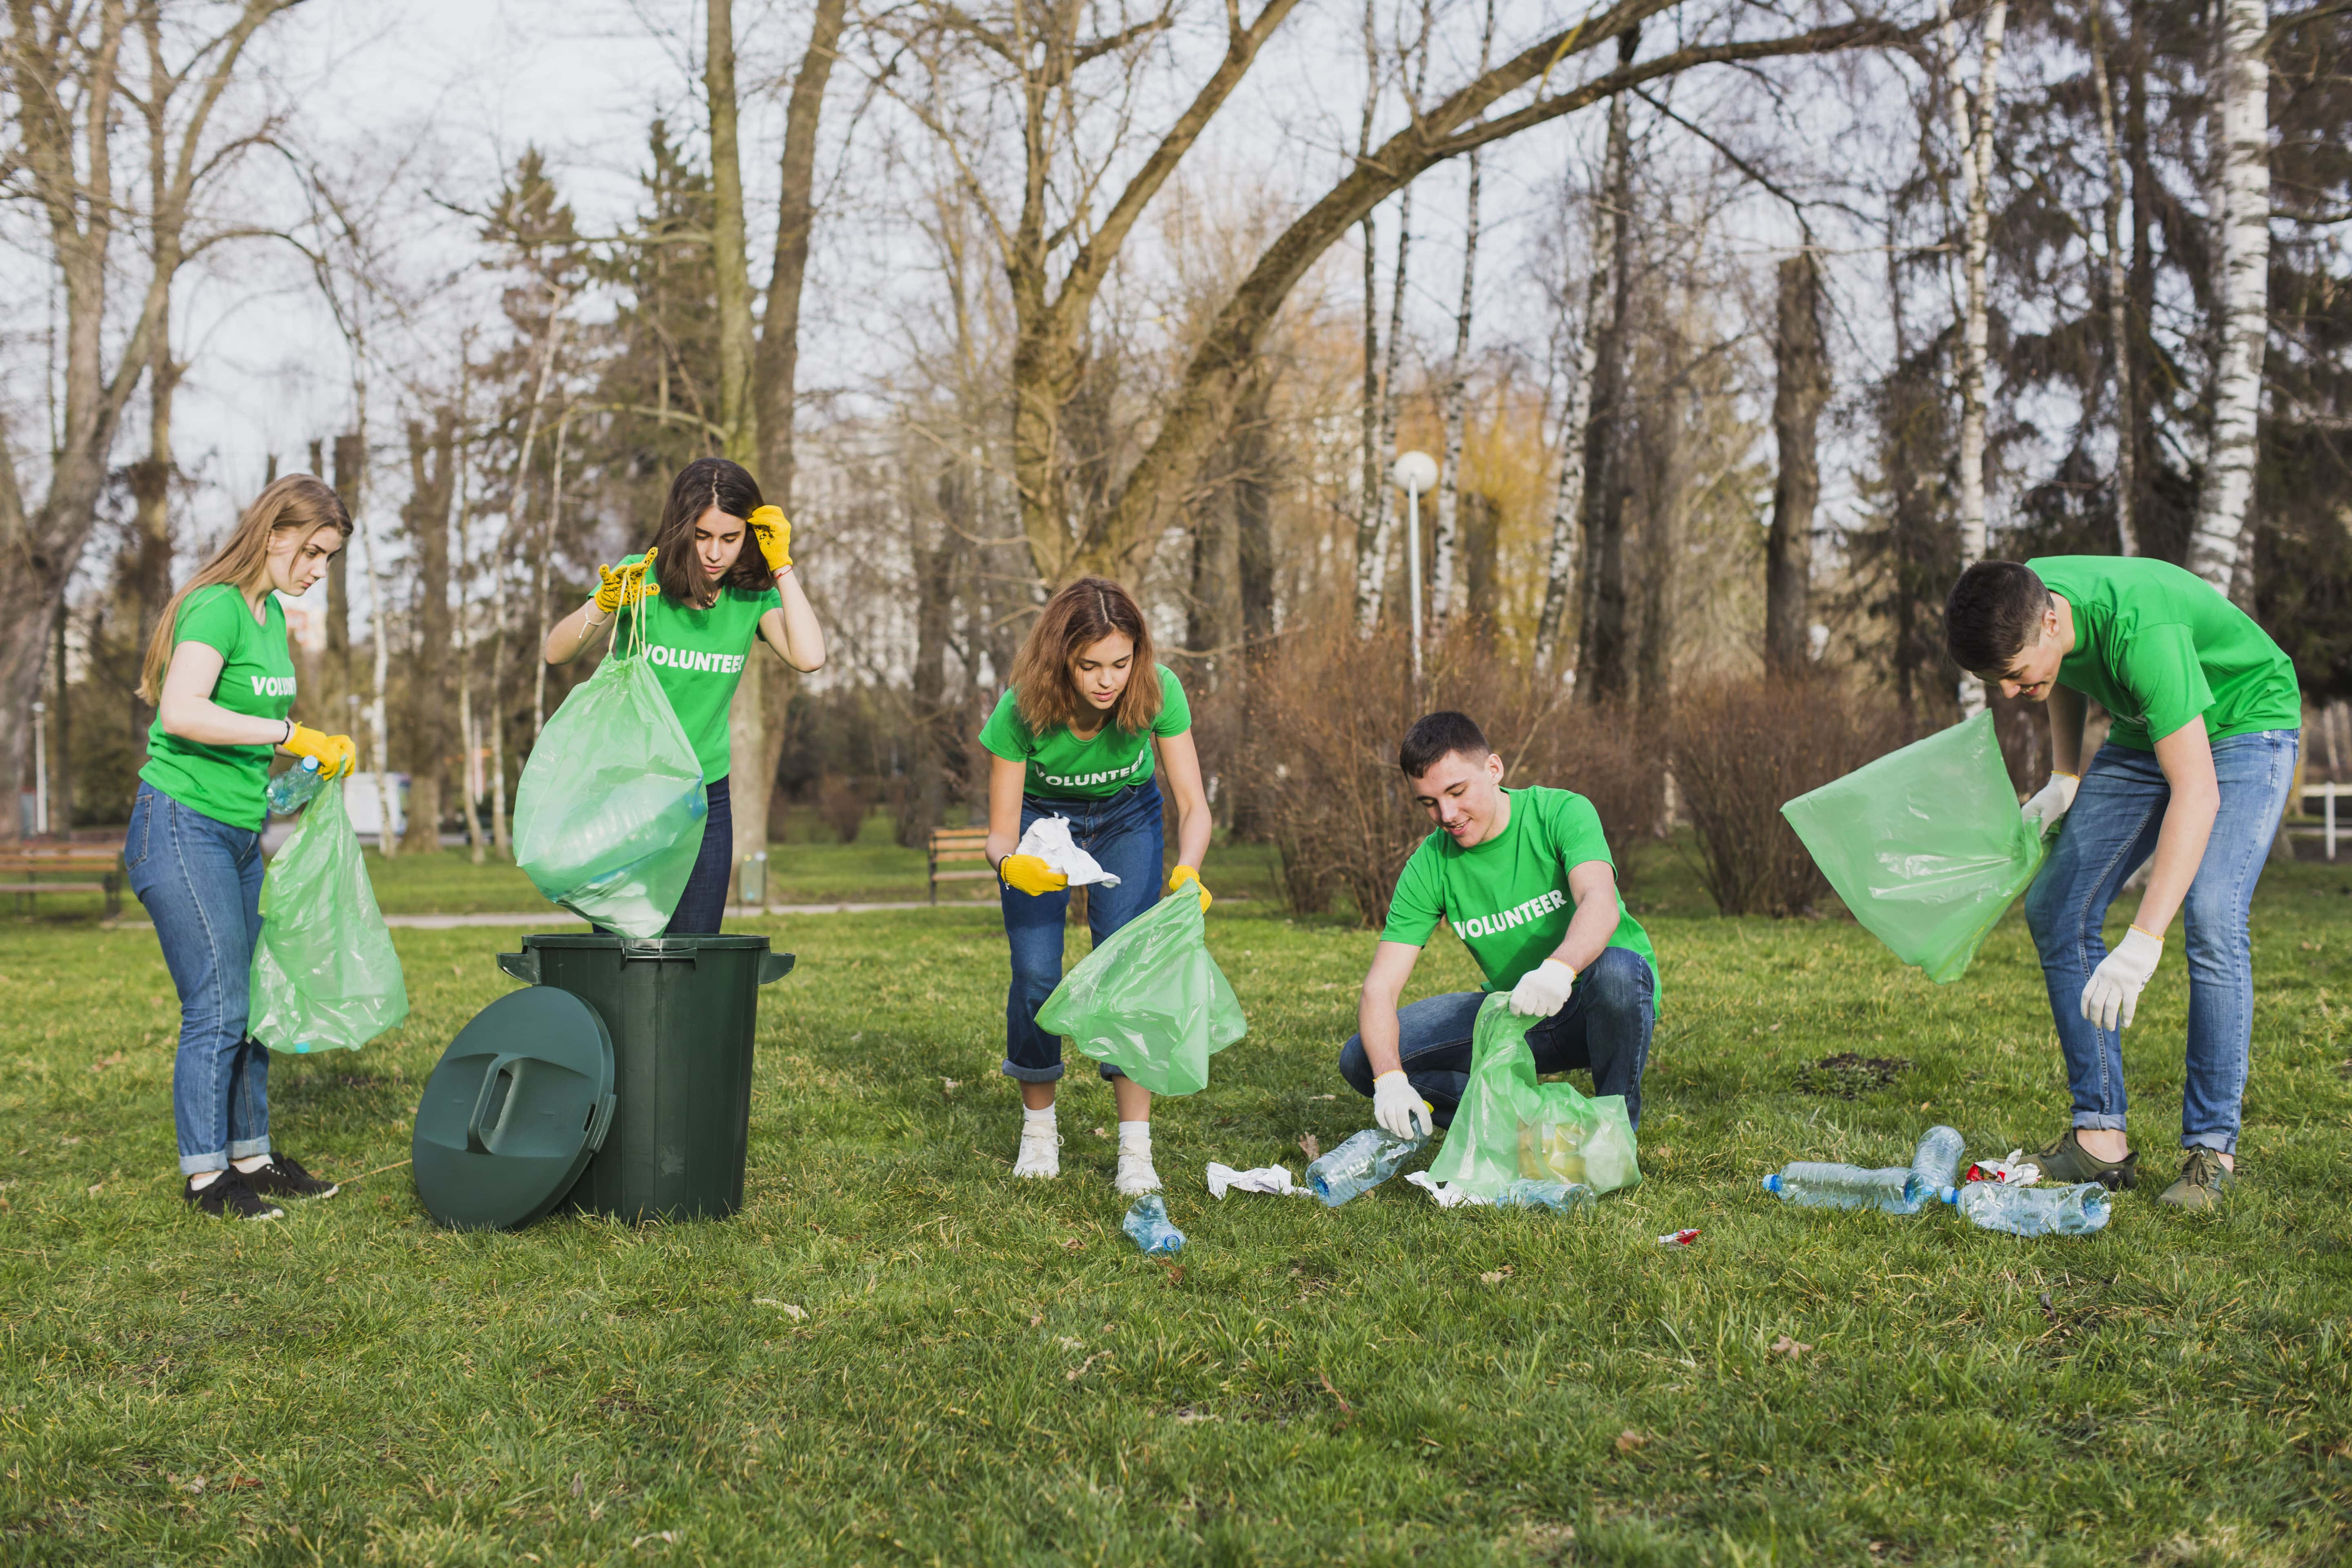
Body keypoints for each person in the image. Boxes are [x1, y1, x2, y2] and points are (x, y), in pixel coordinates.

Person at [1945, 557, 2301, 1209]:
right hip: (2145, 728)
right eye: (1997, 682)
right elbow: (2061, 675)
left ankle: (2212, 1152)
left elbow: (2197, 792)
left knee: (2212, 914)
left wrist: (2143, 940)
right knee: (2057, 906)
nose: (2011, 692)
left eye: (2015, 674)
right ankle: (2099, 1138)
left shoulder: (2142, 632)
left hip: (2247, 722)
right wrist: (2065, 776)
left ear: (2051, 622)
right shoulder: (2030, 599)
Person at [130, 475, 361, 1220]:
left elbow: (252, 759)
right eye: (313, 552)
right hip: (179, 825)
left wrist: (311, 770)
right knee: (218, 1002)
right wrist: (292, 732)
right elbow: (183, 712)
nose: (319, 570)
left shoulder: (270, 617)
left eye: (329, 559)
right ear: (273, 535)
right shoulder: (216, 606)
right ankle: (206, 1179)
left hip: (237, 831)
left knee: (253, 999)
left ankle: (251, 1158)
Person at [980, 576, 1213, 1194]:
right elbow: (999, 834)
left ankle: (1135, 1148)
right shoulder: (1020, 709)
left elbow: (1194, 804)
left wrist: (1189, 867)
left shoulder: (1159, 690)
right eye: (1090, 667)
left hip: (1127, 819)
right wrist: (1011, 866)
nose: (1108, 681)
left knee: (1128, 971)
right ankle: (1039, 1131)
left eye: (1120, 663)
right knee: (1036, 972)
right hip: (1041, 825)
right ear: (1061, 658)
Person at [1340, 711, 1658, 1140]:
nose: (1447, 814)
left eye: (1457, 792)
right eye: (1429, 803)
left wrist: (1559, 969)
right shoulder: (1431, 864)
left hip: (1601, 1005)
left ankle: (1614, 1135)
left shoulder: (1560, 812)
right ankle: (1525, 1130)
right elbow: (1379, 988)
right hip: (1519, 1013)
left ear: (1493, 769)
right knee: (1364, 1060)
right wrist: (1391, 1080)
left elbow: (1598, 901)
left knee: (1619, 971)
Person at [543, 457, 825, 935]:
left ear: (748, 536)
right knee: (623, 950)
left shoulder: (751, 597)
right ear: (680, 529)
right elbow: (556, 652)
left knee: (695, 951)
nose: (715, 553)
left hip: (704, 797)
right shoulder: (641, 576)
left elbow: (810, 656)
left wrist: (781, 566)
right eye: (702, 536)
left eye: (730, 538)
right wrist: (605, 604)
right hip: (628, 791)